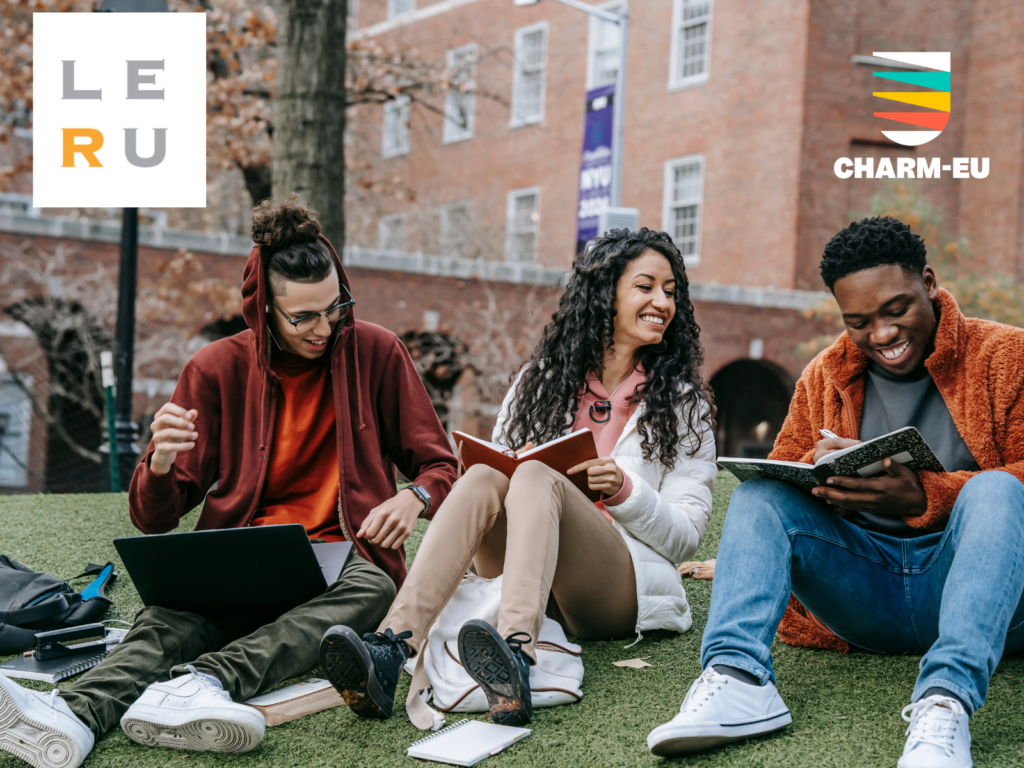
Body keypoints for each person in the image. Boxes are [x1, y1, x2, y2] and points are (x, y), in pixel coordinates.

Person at [0, 197, 458, 768]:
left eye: (335, 307)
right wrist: (160, 464)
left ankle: (203, 685)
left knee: (376, 591)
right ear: (264, 308)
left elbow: (442, 466)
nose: (326, 327)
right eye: (304, 317)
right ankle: (71, 717)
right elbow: (156, 517)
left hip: (341, 560)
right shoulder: (215, 368)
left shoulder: (377, 351)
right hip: (241, 554)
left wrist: (412, 496)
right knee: (168, 619)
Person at [647, 216, 1024, 768]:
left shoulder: (1007, 357)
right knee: (761, 497)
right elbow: (781, 475)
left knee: (996, 489)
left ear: (930, 280)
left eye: (897, 310)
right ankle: (737, 677)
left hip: (984, 596)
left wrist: (927, 497)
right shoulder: (825, 374)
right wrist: (816, 470)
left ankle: (945, 703)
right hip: (865, 591)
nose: (883, 335)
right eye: (859, 322)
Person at [316, 227, 718, 730]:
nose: (662, 301)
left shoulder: (682, 404)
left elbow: (684, 538)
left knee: (536, 478)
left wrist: (623, 490)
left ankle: (515, 655)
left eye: (670, 291)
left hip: (613, 588)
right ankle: (391, 647)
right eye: (645, 286)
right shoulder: (540, 381)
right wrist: (514, 463)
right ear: (605, 294)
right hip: (523, 571)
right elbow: (499, 478)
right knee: (488, 473)